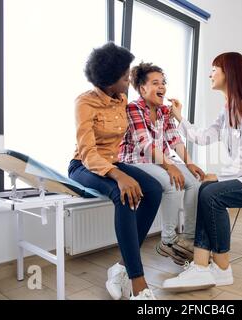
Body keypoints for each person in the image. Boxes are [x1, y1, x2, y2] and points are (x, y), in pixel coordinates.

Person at [162, 52, 242, 292]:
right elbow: (202, 137)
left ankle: (220, 269)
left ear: (229, 72)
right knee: (207, 189)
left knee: (212, 192)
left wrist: (219, 176)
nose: (210, 74)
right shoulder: (228, 110)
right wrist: (179, 116)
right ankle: (202, 266)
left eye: (214, 69)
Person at [68, 42, 160, 300]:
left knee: (153, 189)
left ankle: (121, 267)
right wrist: (119, 176)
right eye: (125, 76)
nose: (129, 78)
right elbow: (87, 153)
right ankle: (137, 283)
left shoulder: (121, 99)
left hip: (112, 162)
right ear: (110, 81)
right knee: (125, 195)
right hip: (84, 165)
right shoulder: (85, 103)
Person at [119, 62, 204, 265]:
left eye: (163, 83)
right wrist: (171, 166)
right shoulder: (133, 109)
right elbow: (146, 144)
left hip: (160, 162)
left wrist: (189, 163)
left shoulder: (165, 111)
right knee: (172, 181)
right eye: (155, 83)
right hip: (136, 163)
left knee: (195, 181)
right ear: (142, 88)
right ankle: (168, 240)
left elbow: (174, 138)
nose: (162, 87)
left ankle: (187, 240)